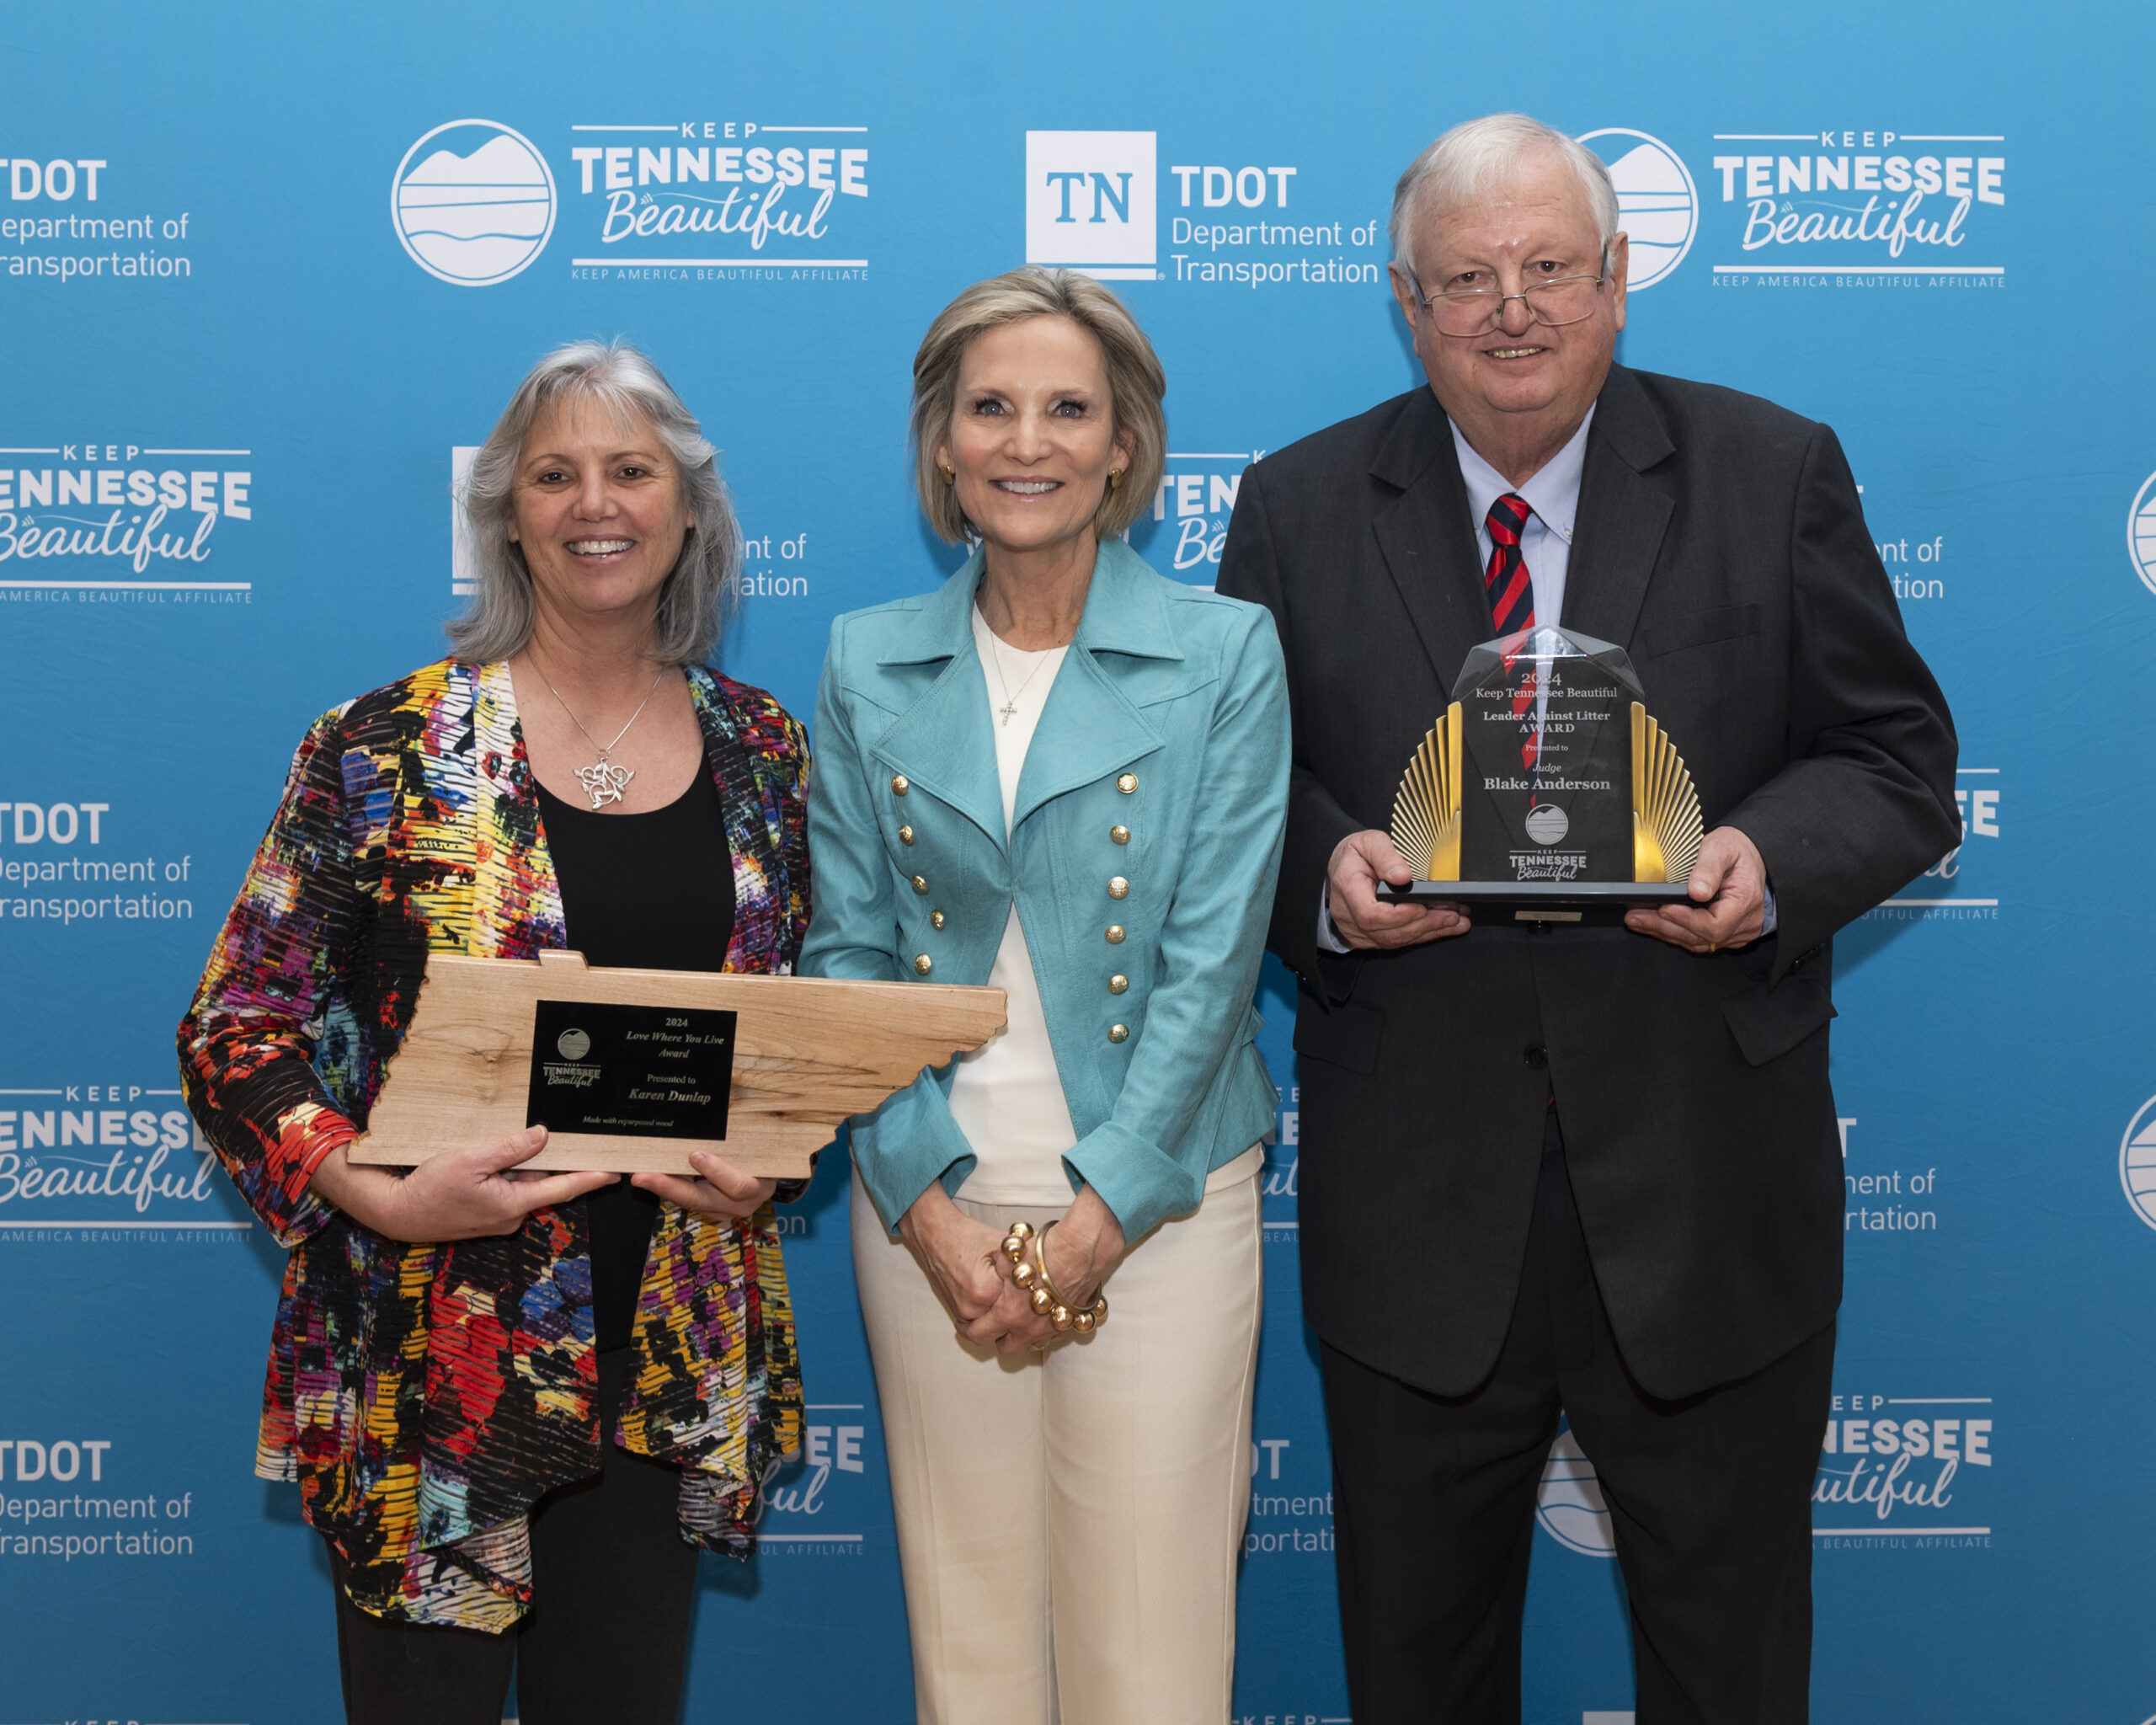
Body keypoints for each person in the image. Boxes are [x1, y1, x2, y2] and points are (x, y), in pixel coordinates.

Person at [1217, 114, 1959, 1723]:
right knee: (1420, 1678)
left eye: (1551, 267)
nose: (1513, 310)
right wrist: (1326, 879)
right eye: (1467, 277)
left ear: (1619, 282)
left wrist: (1765, 860)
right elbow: (1243, 798)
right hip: (1419, 1214)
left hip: (1707, 1198)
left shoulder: (1772, 469)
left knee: (1733, 1675)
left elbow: (1897, 765)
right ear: (1406, 302)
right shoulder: (1295, 505)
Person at [177, 340, 811, 1725]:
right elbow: (237, 1022)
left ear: (687, 507)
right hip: (430, 1354)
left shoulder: (764, 748)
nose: (598, 503)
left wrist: (774, 1159)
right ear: (507, 513)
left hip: (661, 1357)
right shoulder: (385, 743)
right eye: (556, 473)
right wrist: (369, 1191)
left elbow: (782, 1031)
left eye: (632, 471)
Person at [800, 265, 1289, 1723]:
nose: (1029, 441)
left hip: (1159, 1212)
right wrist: (926, 1208)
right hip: (930, 1213)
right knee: (971, 1654)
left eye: (1068, 408)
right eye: (990, 407)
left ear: (1126, 445)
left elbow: (1215, 963)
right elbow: (846, 959)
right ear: (942, 444)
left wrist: (1098, 1223)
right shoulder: (864, 658)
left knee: (1151, 1656)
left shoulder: (1224, 654)